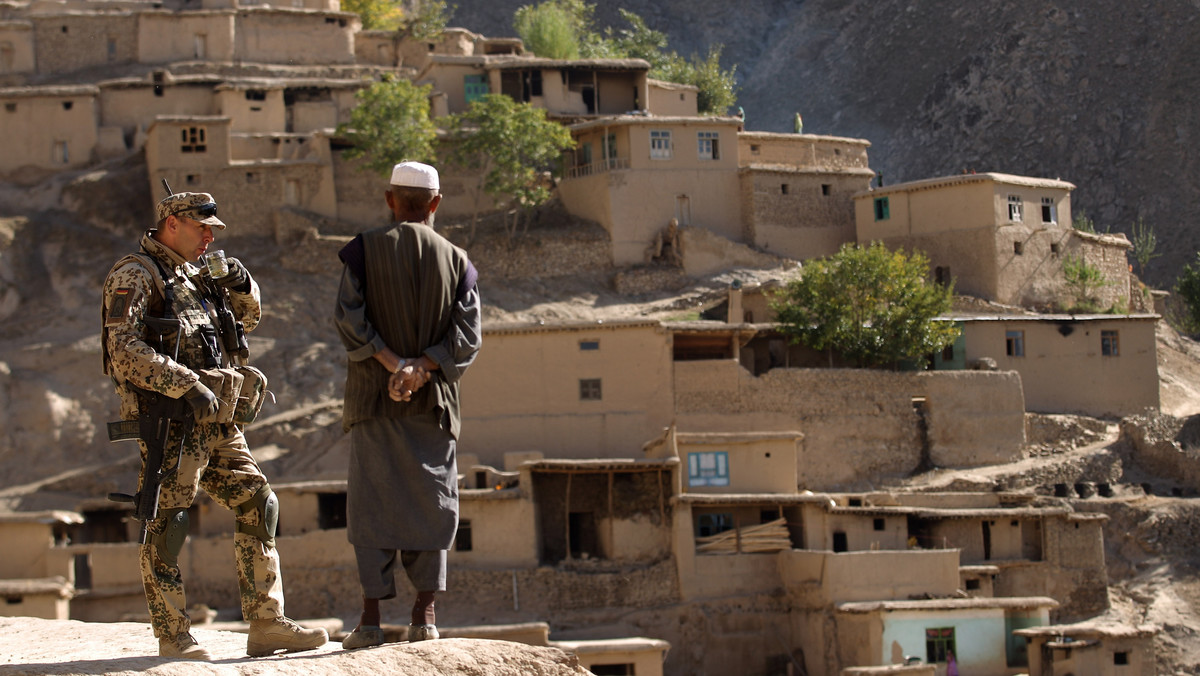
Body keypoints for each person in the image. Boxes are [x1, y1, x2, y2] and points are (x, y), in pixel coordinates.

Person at [101, 191, 328, 660]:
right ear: (171, 226)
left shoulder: (198, 276)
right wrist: (184, 383)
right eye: (201, 228)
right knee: (169, 521)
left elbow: (246, 321)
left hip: (217, 419)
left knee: (259, 502)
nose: (210, 237)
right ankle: (174, 634)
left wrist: (244, 283)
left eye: (213, 230)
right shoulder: (135, 274)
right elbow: (122, 351)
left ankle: (266, 624)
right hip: (171, 419)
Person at [334, 161, 482, 649]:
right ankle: (425, 615)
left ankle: (371, 619)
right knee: (430, 503)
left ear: (390, 200)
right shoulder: (460, 262)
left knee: (373, 503)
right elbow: (467, 339)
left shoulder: (363, 252)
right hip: (433, 407)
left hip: (375, 402)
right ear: (436, 204)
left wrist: (392, 362)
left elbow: (349, 321)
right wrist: (423, 367)